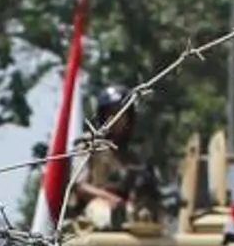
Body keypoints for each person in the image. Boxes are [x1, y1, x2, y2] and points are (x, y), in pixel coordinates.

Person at [66, 85, 162, 228]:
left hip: (130, 210)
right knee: (108, 216)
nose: (116, 118)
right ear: (102, 116)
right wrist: (112, 199)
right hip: (92, 209)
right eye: (110, 113)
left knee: (147, 218)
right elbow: (80, 186)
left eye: (121, 113)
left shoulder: (134, 156)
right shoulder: (88, 145)